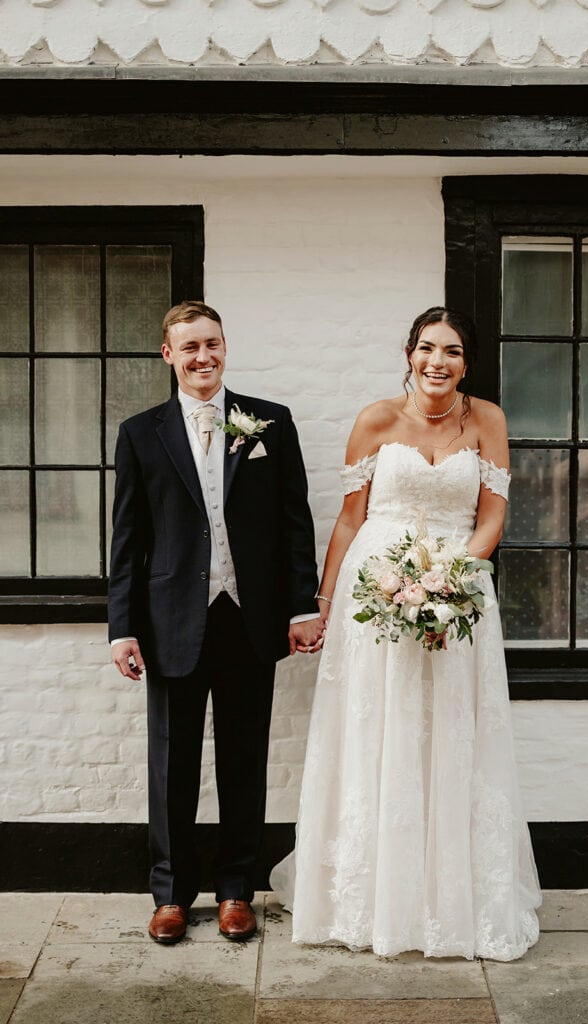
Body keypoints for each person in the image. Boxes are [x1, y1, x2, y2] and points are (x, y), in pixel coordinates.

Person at [271, 306, 541, 960]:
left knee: (449, 732)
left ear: (466, 362)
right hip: (376, 596)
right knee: (374, 729)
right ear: (410, 352)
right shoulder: (376, 420)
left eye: (451, 351)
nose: (437, 362)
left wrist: (449, 578)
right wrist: (325, 600)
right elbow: (347, 518)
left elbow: (494, 516)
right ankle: (369, 900)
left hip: (459, 590)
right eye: (427, 348)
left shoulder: (489, 423)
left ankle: (448, 903)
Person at [109, 300, 324, 945]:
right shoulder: (140, 433)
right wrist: (122, 626)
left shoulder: (269, 423)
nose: (204, 357)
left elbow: (295, 522)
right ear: (168, 355)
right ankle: (171, 895)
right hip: (171, 619)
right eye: (189, 347)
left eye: (213, 344)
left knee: (243, 759)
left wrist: (302, 604)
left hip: (249, 618)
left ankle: (236, 890)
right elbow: (127, 540)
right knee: (171, 763)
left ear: (225, 346)